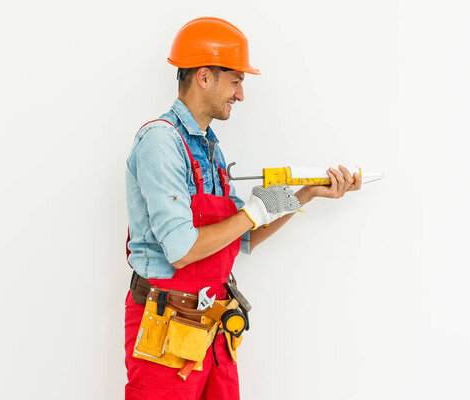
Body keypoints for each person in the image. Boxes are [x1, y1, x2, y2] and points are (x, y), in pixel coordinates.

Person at [124, 17, 362, 400]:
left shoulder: (210, 147)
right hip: (166, 330)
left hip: (214, 327)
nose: (240, 94)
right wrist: (254, 209)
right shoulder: (160, 143)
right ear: (204, 76)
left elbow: (243, 235)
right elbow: (182, 250)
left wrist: (303, 195)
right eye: (235, 80)